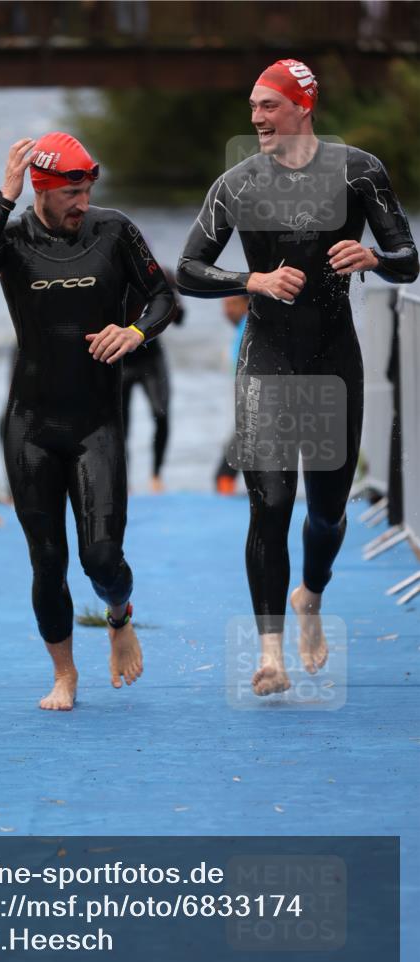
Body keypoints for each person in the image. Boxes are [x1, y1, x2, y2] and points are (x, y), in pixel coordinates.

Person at [177, 59, 418, 697]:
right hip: (268, 356)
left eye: (268, 106)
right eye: (252, 107)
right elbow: (187, 269)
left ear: (302, 107)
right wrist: (250, 280)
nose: (256, 118)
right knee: (270, 505)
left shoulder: (359, 172)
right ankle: (270, 653)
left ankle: (310, 594)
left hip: (336, 358)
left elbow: (408, 258)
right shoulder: (237, 183)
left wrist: (374, 256)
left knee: (329, 513)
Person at [0, 132, 176, 711]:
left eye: (88, 190)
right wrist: (3, 198)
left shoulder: (114, 230)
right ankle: (65, 674)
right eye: (71, 193)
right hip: (29, 425)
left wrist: (134, 332)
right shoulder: (12, 237)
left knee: (102, 557)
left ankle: (120, 614)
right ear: (42, 190)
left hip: (95, 425)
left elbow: (162, 297)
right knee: (46, 560)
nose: (83, 203)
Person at [122, 267, 183, 494]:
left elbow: (180, 320)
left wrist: (172, 296)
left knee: (161, 413)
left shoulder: (157, 276)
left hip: (150, 358)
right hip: (121, 360)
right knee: (120, 424)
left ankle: (156, 475)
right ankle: (125, 479)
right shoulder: (108, 274)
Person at [214, 294, 248, 494]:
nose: (228, 310)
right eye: (225, 305)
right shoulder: (242, 326)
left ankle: (223, 481)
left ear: (248, 303)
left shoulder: (250, 323)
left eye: (234, 304)